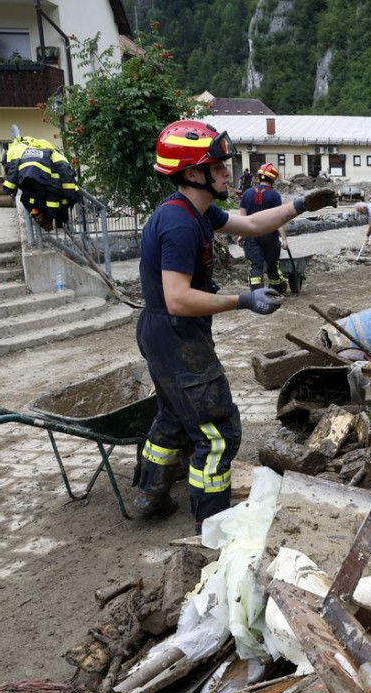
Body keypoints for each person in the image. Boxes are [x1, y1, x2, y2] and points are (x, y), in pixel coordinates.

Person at [135, 119, 336, 532]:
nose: (229, 172)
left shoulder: (198, 211)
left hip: (163, 333)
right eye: (220, 166)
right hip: (176, 334)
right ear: (193, 173)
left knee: (173, 417)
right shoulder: (179, 223)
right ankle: (213, 525)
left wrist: (300, 206)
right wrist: (243, 300)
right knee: (218, 432)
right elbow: (178, 297)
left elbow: (252, 225)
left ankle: (148, 494)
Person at [239, 163, 288, 293]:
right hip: (270, 236)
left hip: (251, 235)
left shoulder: (247, 193)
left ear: (259, 176)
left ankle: (256, 293)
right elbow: (280, 220)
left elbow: (242, 218)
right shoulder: (275, 195)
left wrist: (241, 235)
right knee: (272, 265)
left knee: (255, 266)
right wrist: (284, 239)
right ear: (273, 179)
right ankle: (277, 289)